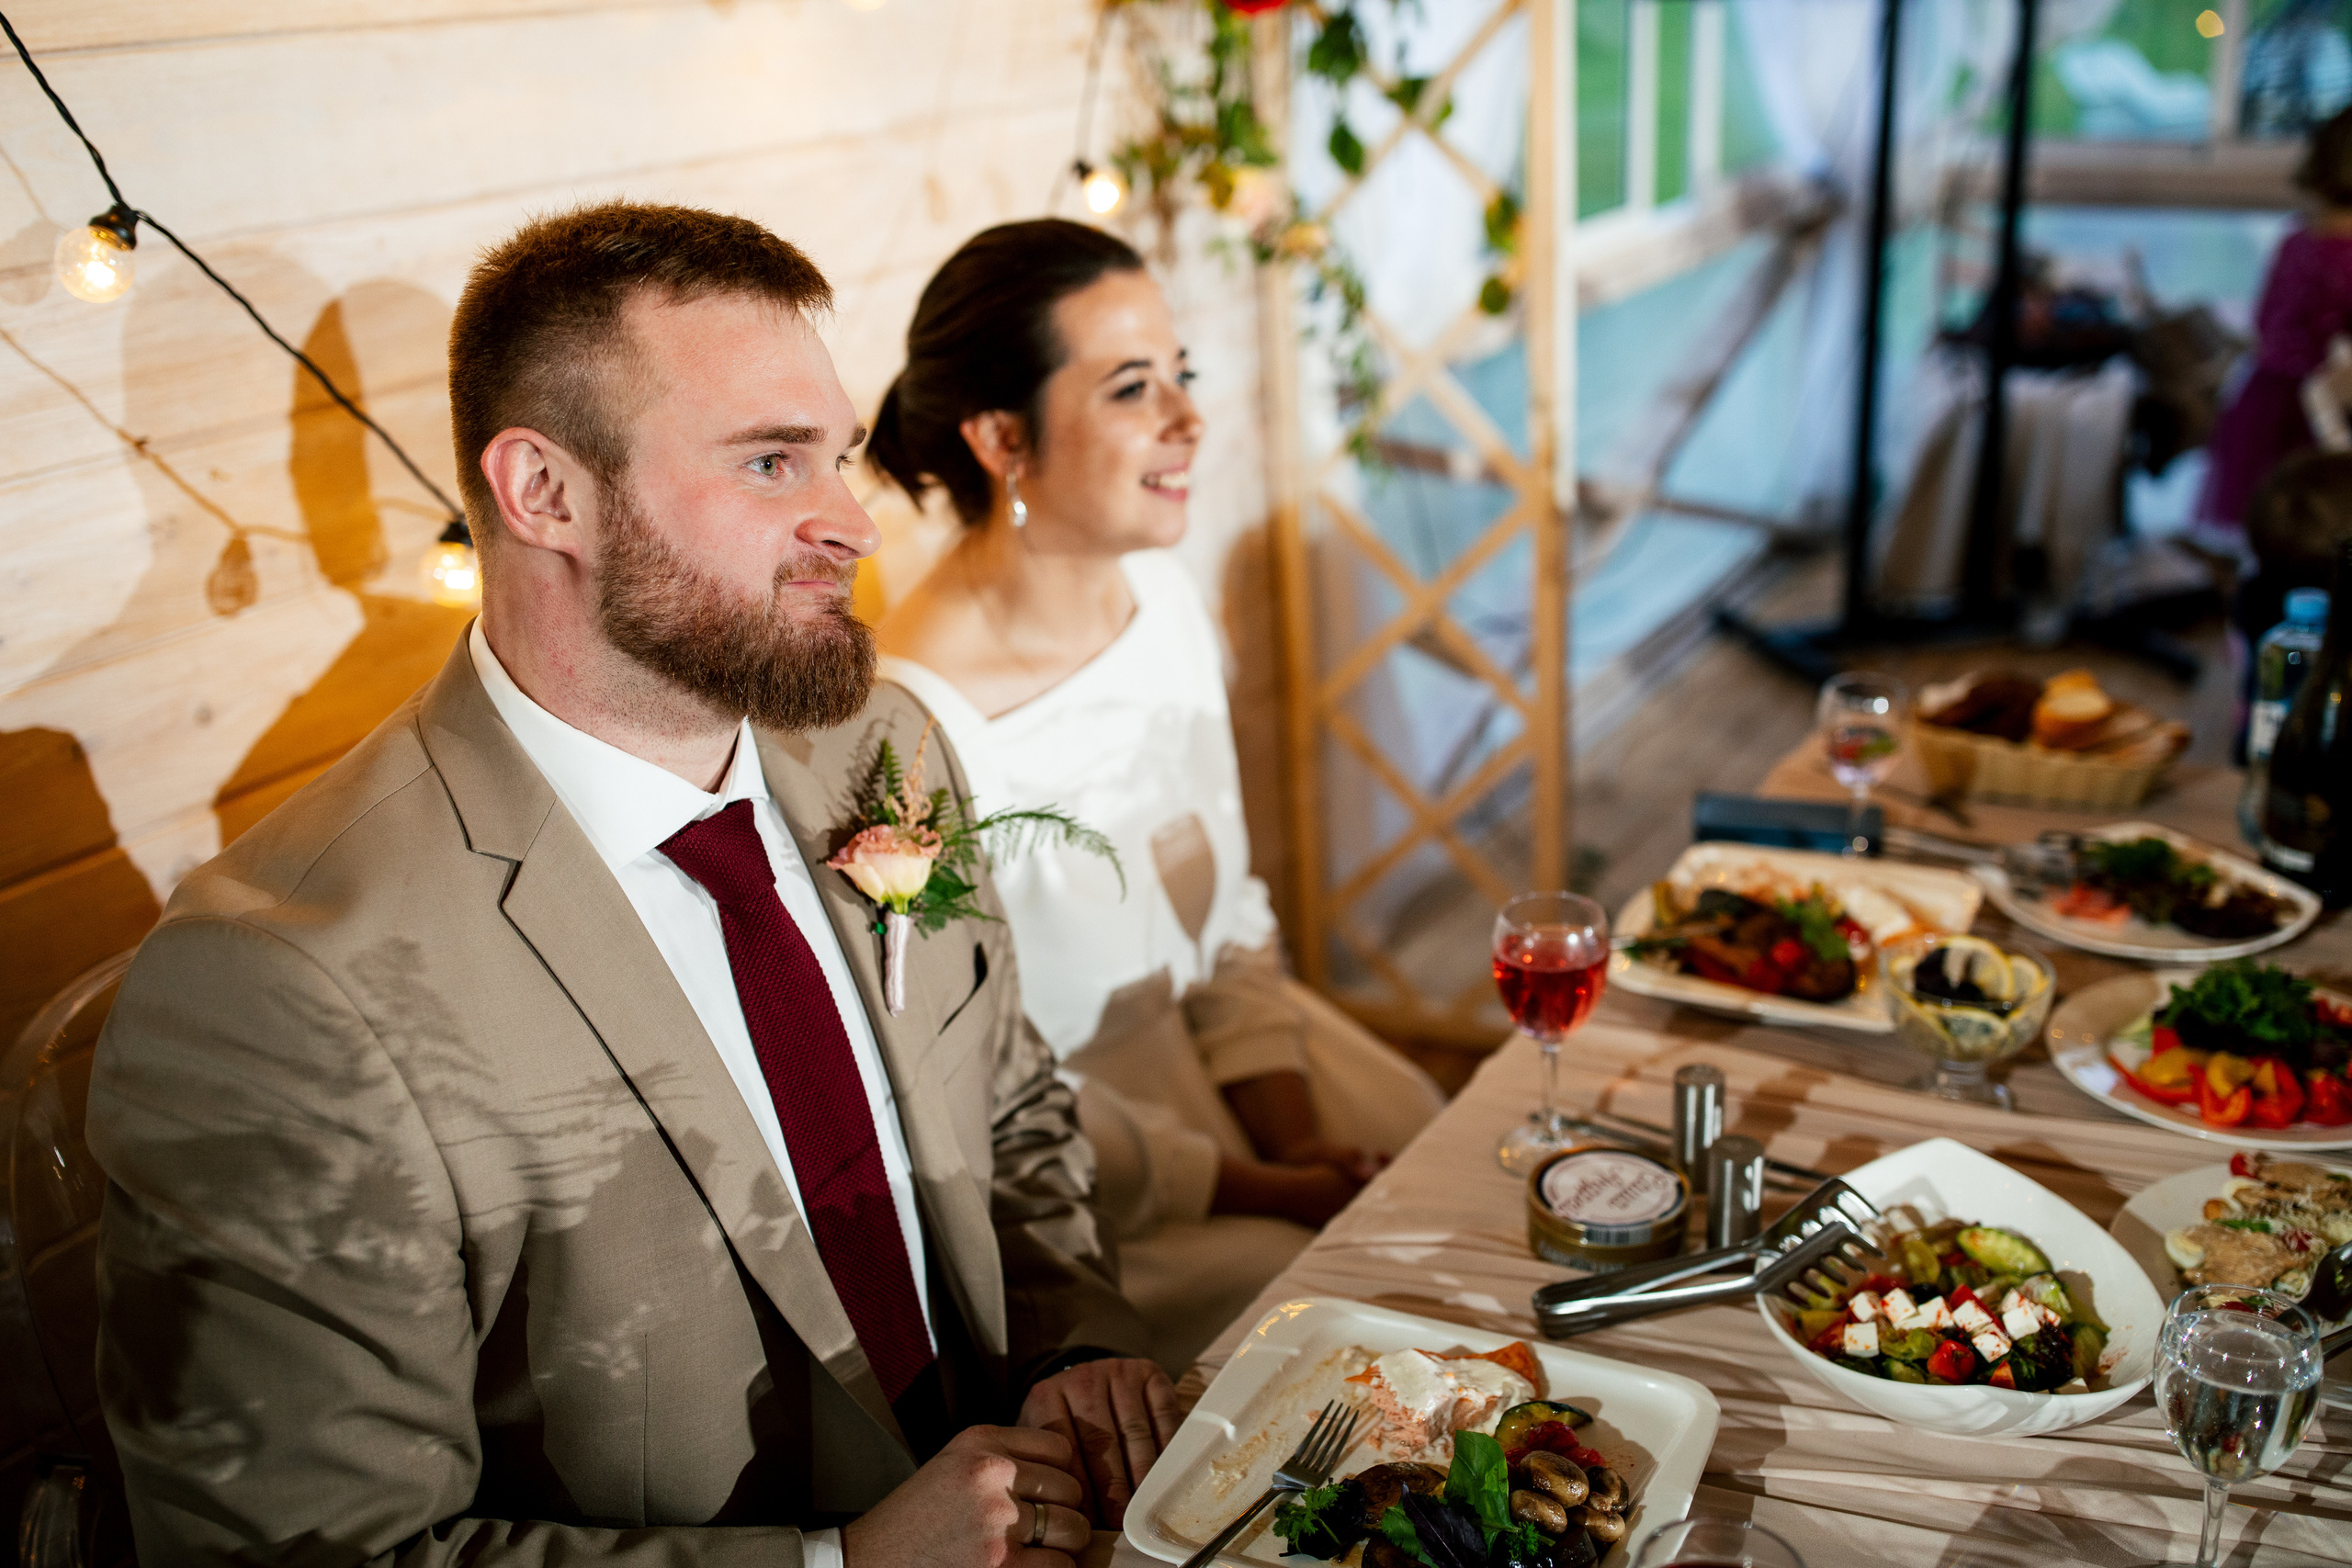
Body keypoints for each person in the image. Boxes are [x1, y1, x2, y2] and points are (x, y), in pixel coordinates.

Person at [86, 201, 1181, 1566]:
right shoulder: (282, 985)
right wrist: (844, 1562)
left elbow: (1011, 1101)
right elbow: (312, 1550)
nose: (849, 520)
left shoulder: (878, 745)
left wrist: (1068, 1347)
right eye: (774, 462)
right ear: (545, 492)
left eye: (835, 456)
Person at [868, 220, 1444, 1369]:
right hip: (1080, 1181)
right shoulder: (908, 728)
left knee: (1443, 1162)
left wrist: (1304, 1143)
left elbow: (1229, 921)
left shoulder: (1166, 602)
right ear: (1000, 438)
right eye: (1133, 388)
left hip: (1226, 1069)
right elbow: (967, 1092)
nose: (1188, 420)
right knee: (1318, 1318)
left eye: (1183, 374)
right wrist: (1267, 1187)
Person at [2195, 104, 2352, 541]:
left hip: (2267, 399)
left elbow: (2265, 325)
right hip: (2320, 421)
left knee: (2276, 539)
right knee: (2324, 532)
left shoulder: (2297, 240)